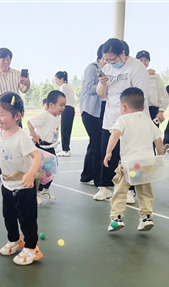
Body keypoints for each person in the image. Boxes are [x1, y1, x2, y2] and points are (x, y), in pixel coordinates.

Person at [0, 93, 43, 266]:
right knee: (9, 216)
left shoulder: (22, 137)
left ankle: (32, 247)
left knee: (27, 219)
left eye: (2, 114)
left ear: (17, 116)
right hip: (7, 184)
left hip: (23, 186)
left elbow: (36, 156)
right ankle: (15, 240)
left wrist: (30, 174)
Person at [95, 38, 149, 202]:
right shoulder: (108, 68)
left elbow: (140, 95)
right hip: (111, 118)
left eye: (112, 58)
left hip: (131, 119)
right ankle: (104, 187)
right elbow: (102, 95)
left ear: (122, 53)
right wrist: (102, 83)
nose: (110, 62)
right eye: (107, 59)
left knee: (128, 156)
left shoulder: (136, 67)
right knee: (108, 152)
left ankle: (128, 190)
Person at [104, 88, 163, 232]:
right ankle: (146, 217)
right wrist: (160, 156)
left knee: (120, 190)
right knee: (145, 192)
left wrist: (108, 152)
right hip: (147, 164)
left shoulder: (123, 119)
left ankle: (117, 218)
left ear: (123, 107)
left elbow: (115, 134)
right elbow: (158, 140)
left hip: (129, 164)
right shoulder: (148, 120)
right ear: (143, 107)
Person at [0, 48, 31, 182]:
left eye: (8, 59)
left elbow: (23, 90)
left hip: (14, 114)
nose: (6, 62)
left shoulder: (17, 74)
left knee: (18, 141)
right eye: (3, 59)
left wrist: (27, 83)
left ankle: (18, 169)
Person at [27, 89, 66, 203]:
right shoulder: (44, 116)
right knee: (39, 171)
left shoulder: (57, 116)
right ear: (51, 105)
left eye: (64, 105)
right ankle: (36, 193)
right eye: (61, 105)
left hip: (51, 147)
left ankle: (45, 190)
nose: (63, 108)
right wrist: (34, 135)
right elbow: (29, 122)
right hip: (41, 147)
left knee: (53, 170)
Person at [79, 44, 105, 186]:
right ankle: (97, 178)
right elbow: (89, 88)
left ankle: (86, 175)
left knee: (94, 143)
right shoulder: (92, 68)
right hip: (90, 110)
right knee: (98, 143)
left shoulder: (110, 69)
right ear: (102, 54)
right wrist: (103, 84)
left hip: (103, 111)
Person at [136, 50, 169, 126]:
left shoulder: (155, 77)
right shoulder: (132, 76)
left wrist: (161, 111)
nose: (143, 63)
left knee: (153, 136)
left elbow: (163, 94)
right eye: (140, 60)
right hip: (137, 110)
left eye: (146, 60)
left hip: (153, 110)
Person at [54, 71, 76, 157]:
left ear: (62, 79)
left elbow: (61, 100)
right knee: (68, 129)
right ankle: (67, 148)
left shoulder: (63, 87)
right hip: (71, 109)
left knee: (64, 129)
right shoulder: (68, 87)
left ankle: (65, 150)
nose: (56, 81)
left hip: (66, 109)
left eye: (57, 79)